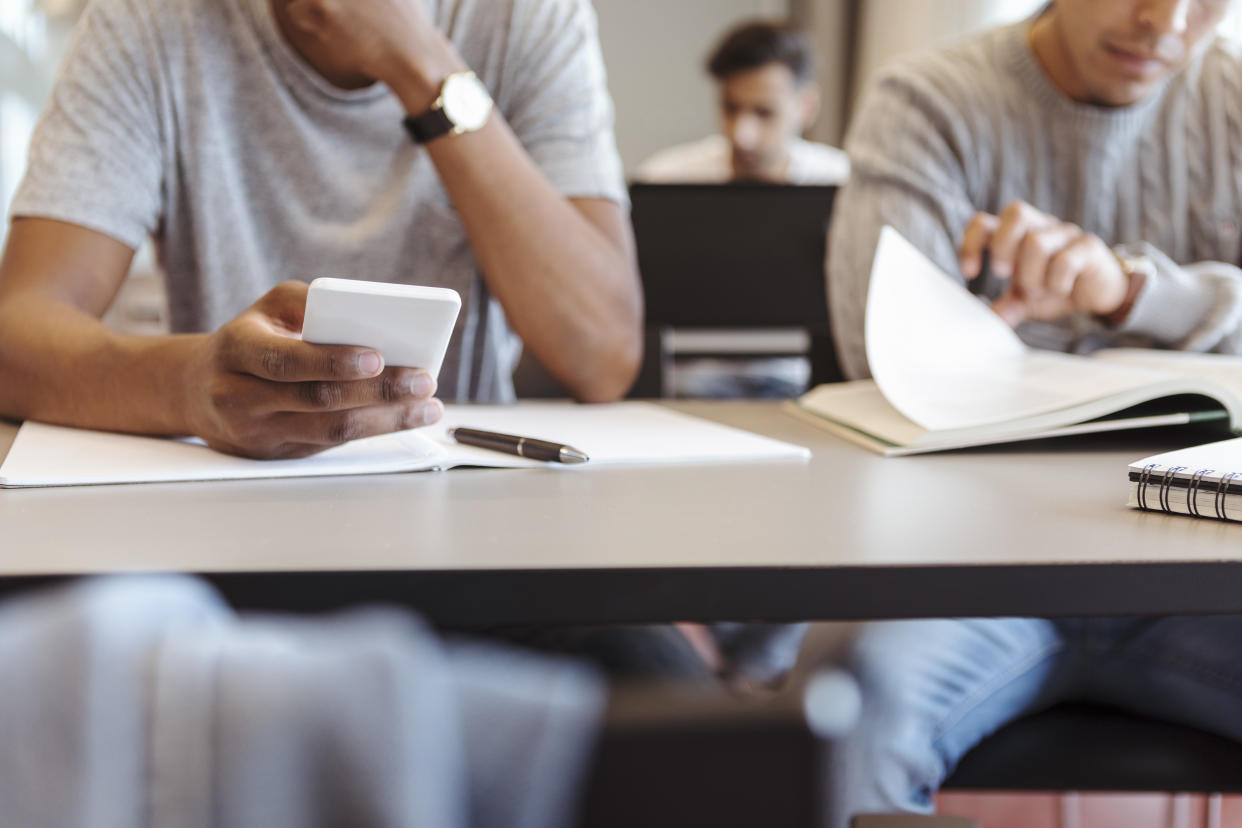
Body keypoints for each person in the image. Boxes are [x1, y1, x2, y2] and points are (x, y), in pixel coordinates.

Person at [826, 0, 1242, 824]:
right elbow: (874, 354)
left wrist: (1130, 291)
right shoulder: (930, 102)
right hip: (963, 574)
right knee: (847, 729)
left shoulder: (1231, 103)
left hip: (1205, 579)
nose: (1165, 21)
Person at [0, 0, 642, 460]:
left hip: (468, 491)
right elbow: (17, 338)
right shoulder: (144, 22)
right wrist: (193, 386)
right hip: (229, 498)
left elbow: (602, 356)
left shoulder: (530, 18)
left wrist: (418, 64)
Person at [635, 19, 849, 185]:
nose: (742, 136)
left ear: (807, 107)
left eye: (764, 112)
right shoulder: (665, 180)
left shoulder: (843, 184)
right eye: (731, 108)